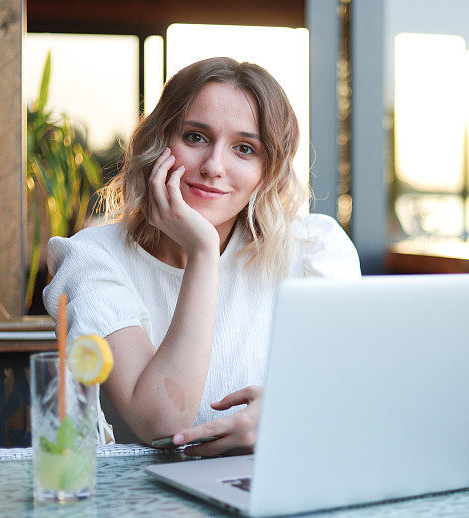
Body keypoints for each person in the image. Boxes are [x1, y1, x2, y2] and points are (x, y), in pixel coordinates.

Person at [43, 57, 361, 457]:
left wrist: (290, 417)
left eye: (245, 149)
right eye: (195, 137)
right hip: (147, 508)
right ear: (159, 143)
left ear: (269, 170)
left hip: (275, 491)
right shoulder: (93, 259)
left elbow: (354, 399)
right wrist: (204, 252)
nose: (214, 167)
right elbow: (162, 423)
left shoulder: (314, 250)